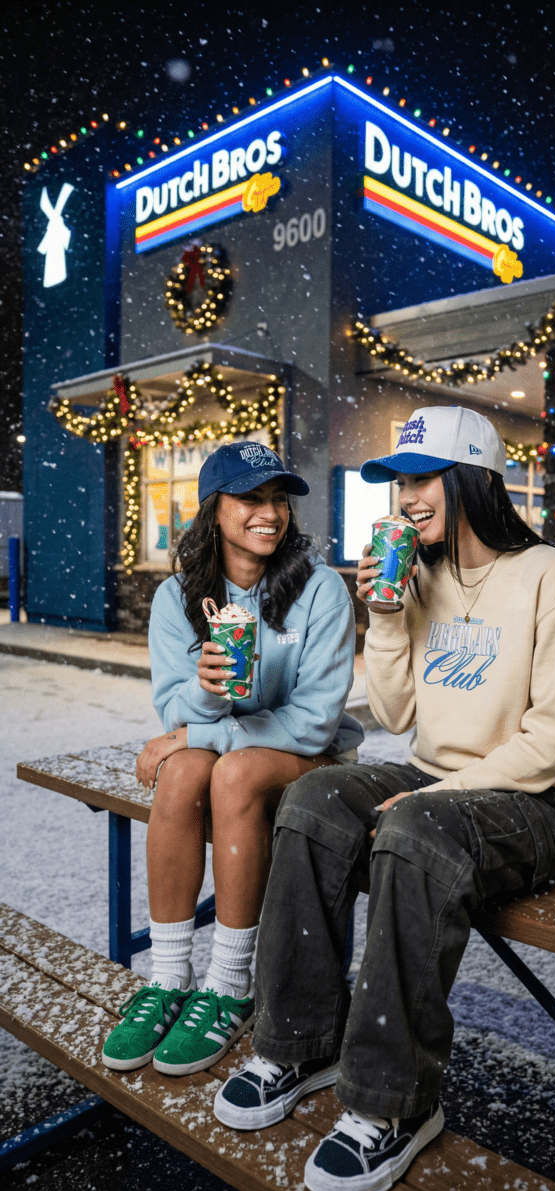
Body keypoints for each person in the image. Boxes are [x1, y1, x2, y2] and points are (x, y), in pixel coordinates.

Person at [214, 406, 555, 1191]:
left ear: (473, 479)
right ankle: (302, 1043)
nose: (404, 499)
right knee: (315, 797)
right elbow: (395, 716)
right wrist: (384, 619)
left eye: (421, 479)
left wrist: (444, 792)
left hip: (528, 801)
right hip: (432, 784)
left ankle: (394, 1102)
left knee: (416, 828)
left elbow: (553, 741)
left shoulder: (547, 573)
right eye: (396, 483)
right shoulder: (419, 575)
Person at [101, 441, 363, 1076]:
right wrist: (203, 692)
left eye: (278, 499)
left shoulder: (321, 588)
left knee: (227, 768)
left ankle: (229, 983)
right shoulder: (178, 598)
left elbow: (315, 721)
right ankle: (168, 977)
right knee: (185, 770)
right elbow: (175, 712)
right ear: (214, 509)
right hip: (223, 757)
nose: (268, 513)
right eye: (251, 498)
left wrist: (197, 735)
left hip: (316, 760)